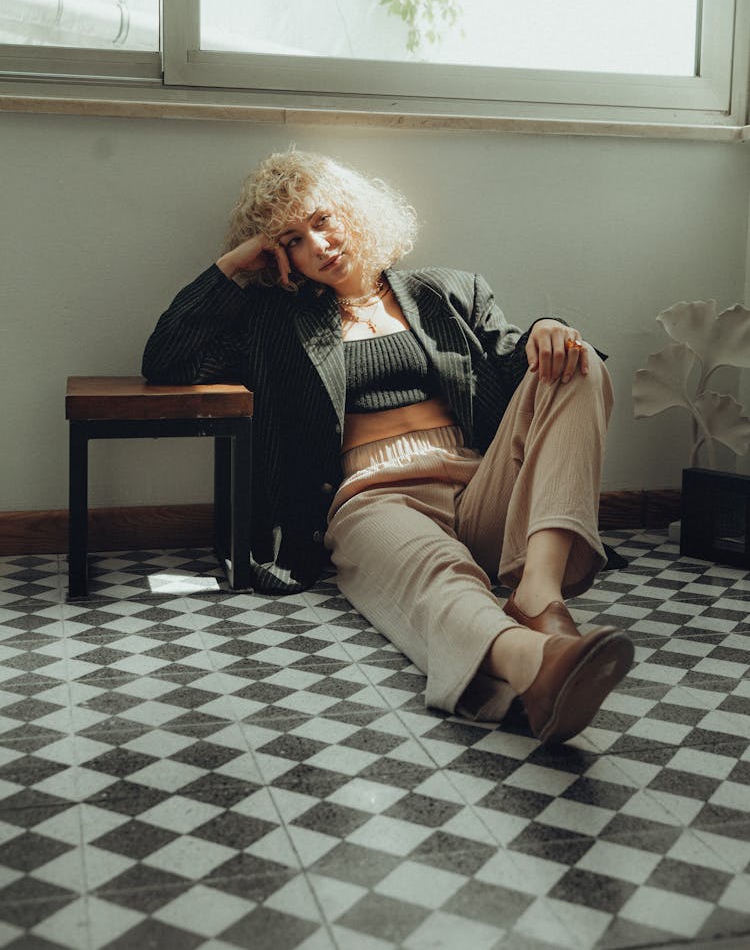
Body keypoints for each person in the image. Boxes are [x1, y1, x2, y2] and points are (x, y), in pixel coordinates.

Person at [142, 149, 633, 745]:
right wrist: (234, 266)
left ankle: (539, 594)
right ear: (281, 259)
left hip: (482, 485)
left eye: (322, 220)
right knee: (440, 575)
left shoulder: (447, 291)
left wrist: (547, 331)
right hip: (375, 496)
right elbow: (168, 361)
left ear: (352, 210)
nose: (318, 245)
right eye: (294, 240)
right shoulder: (272, 322)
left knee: (579, 365)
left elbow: (514, 362)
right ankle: (533, 663)